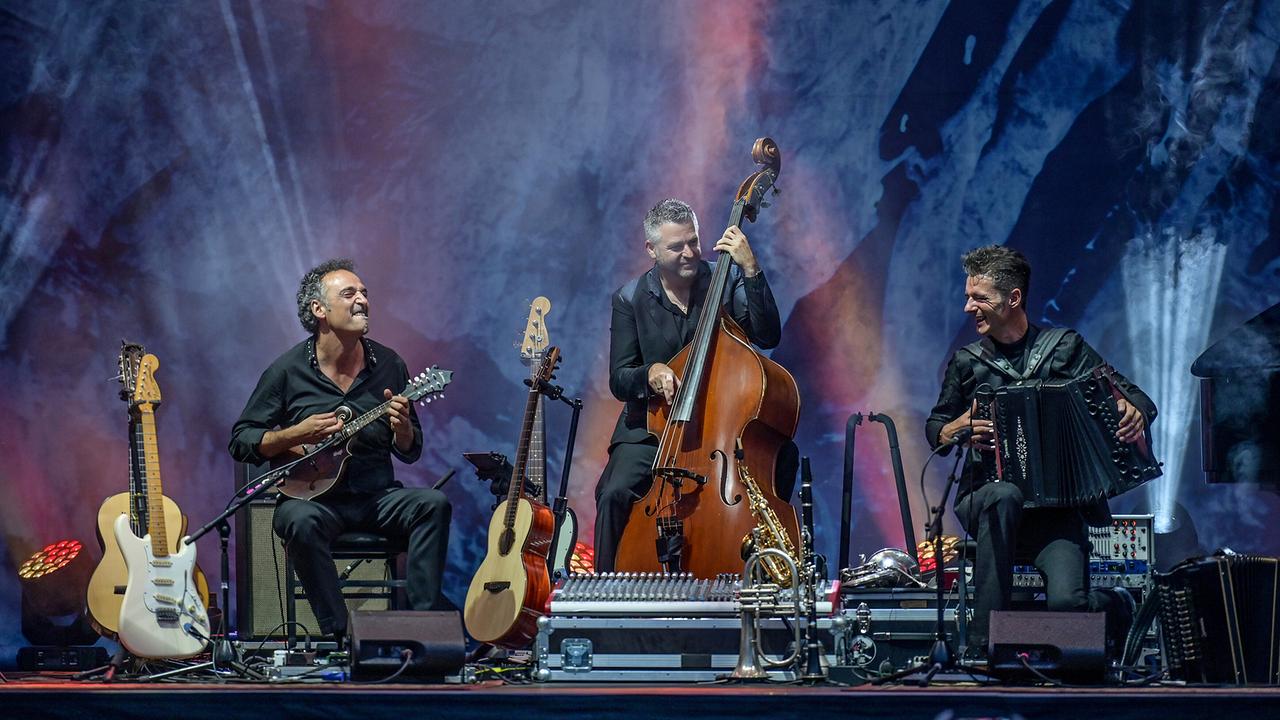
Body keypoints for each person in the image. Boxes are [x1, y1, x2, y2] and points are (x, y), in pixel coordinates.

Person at [925, 245, 1156, 656]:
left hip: (1054, 514)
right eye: (967, 296)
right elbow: (935, 429)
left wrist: (1133, 409)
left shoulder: (1064, 349)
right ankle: (982, 647)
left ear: (1013, 299)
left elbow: (1138, 398)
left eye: (979, 298)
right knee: (1004, 493)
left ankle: (1118, 604)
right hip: (985, 499)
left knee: (1068, 607)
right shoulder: (968, 363)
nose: (968, 307)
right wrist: (954, 428)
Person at [229, 258, 451, 640]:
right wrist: (293, 433)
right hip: (314, 502)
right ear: (319, 310)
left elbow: (410, 450)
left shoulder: (390, 364)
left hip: (375, 497)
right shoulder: (287, 371)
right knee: (296, 520)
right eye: (349, 293)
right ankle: (341, 635)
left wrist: (402, 430)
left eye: (365, 293)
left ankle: (423, 627)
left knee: (433, 505)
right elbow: (242, 439)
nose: (362, 300)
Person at [594, 198, 785, 572]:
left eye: (693, 242)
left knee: (774, 471)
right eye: (676, 246)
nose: (689, 253)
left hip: (720, 430)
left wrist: (751, 269)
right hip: (652, 429)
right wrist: (649, 374)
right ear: (651, 250)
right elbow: (620, 378)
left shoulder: (725, 279)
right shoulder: (629, 298)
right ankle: (604, 595)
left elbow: (767, 334)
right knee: (614, 493)